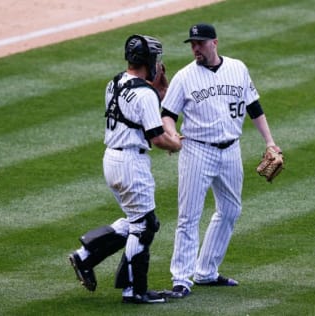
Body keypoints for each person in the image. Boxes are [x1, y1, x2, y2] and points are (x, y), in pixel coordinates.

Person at [161, 23, 282, 298]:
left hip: (231, 151)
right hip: (197, 151)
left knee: (230, 210)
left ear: (214, 43)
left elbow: (254, 107)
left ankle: (206, 272)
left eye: (200, 43)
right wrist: (171, 133)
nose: (195, 48)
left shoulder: (238, 68)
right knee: (188, 216)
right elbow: (167, 112)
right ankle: (181, 278)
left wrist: (270, 141)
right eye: (192, 44)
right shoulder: (184, 76)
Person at [68, 34, 182, 304]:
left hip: (112, 160)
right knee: (144, 226)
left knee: (135, 220)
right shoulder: (145, 95)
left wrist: (159, 91)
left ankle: (84, 257)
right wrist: (175, 144)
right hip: (132, 162)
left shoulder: (115, 82)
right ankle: (135, 290)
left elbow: (135, 106)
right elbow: (157, 136)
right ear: (150, 61)